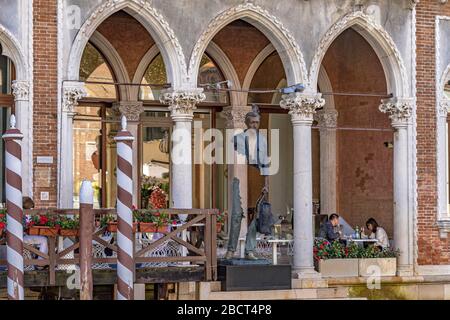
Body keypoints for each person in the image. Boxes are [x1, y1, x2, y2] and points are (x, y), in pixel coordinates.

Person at [224, 105, 271, 260]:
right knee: (237, 215)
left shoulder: (262, 140)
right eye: (252, 123)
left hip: (257, 178)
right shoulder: (237, 139)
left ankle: (249, 250)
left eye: (257, 123)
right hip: (239, 178)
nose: (254, 125)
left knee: (255, 218)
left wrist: (266, 184)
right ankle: (231, 249)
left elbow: (266, 163)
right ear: (246, 123)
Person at [22, 197, 49, 263]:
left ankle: (41, 260)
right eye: (31, 208)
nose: (32, 209)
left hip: (25, 236)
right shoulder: (22, 214)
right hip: (21, 237)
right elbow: (25, 226)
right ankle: (40, 263)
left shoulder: (25, 214)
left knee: (44, 239)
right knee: (44, 240)